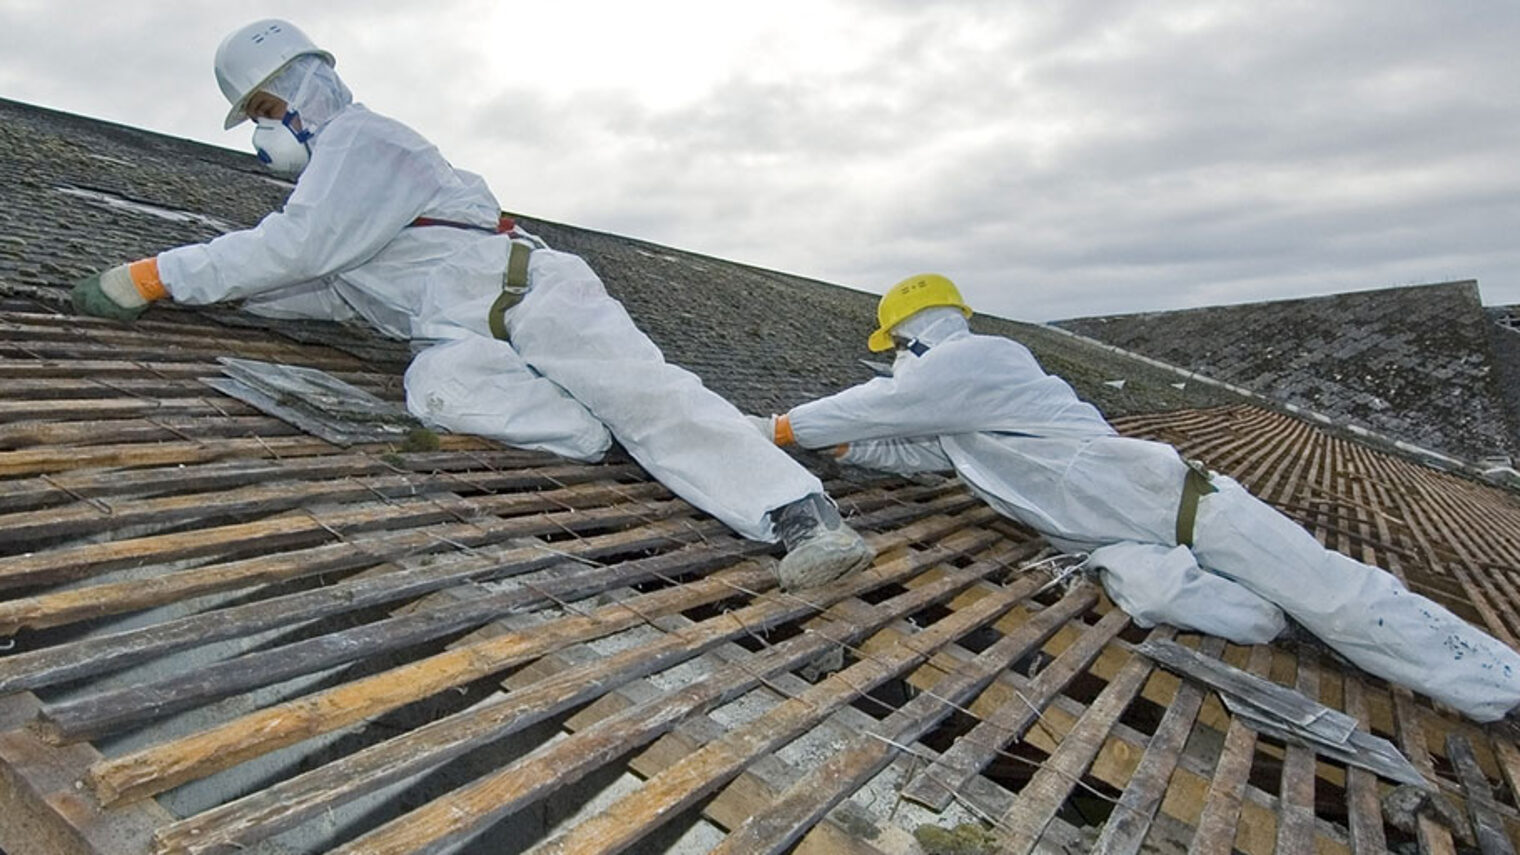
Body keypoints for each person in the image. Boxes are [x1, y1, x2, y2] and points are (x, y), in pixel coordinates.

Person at [69, 19, 873, 590]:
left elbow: (290, 248)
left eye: (269, 113)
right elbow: (312, 286)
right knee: (436, 389)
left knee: (652, 397)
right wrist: (226, 303)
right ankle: (592, 429)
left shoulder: (363, 143)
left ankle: (803, 519)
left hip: (530, 292)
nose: (265, 134)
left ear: (305, 89)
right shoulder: (342, 213)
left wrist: (152, 277)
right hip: (466, 336)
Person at [751, 272, 1520, 723]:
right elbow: (917, 447)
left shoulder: (974, 361)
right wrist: (841, 448)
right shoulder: (963, 408)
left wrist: (780, 427)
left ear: (912, 337)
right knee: (1218, 608)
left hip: (1186, 506)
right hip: (1117, 538)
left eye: (896, 352)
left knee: (1347, 596)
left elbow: (872, 409)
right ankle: (1281, 621)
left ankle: (1500, 686)